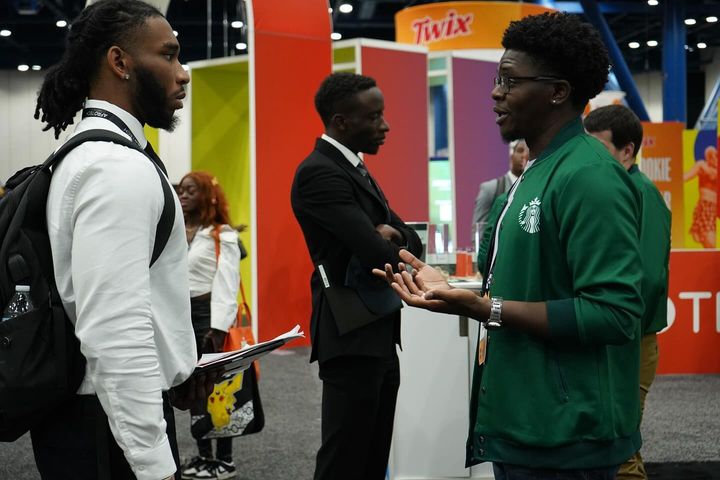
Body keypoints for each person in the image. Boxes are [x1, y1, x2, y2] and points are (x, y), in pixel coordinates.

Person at [375, 12, 644, 480]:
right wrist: (458, 291)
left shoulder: (589, 177)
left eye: (509, 80)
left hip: (568, 434)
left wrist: (488, 308)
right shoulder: (534, 173)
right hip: (526, 420)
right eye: (497, 80)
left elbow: (614, 313)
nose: (496, 93)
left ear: (557, 91)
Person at [33, 1, 205, 479]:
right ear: (119, 62)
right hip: (106, 426)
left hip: (98, 413)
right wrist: (153, 464)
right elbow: (115, 328)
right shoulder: (116, 167)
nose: (183, 73)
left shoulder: (97, 153)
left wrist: (175, 366)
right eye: (168, 55)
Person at [290, 72, 423, 480]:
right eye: (374, 116)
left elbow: (412, 240)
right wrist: (387, 237)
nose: (386, 126)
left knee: (372, 458)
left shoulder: (354, 168)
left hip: (376, 330)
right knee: (345, 459)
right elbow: (376, 254)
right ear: (341, 122)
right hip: (350, 333)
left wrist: (393, 234)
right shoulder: (319, 172)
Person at [584, 104, 671, 480]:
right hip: (614, 337)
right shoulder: (613, 188)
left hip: (629, 340)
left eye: (600, 148)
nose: (590, 158)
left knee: (621, 449)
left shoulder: (641, 193)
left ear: (627, 151)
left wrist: (614, 324)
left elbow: (648, 278)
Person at [177, 171, 241, 480]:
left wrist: (218, 328)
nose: (183, 195)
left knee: (220, 388)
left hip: (209, 318)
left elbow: (227, 283)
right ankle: (204, 457)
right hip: (181, 317)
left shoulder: (222, 234)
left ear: (207, 196)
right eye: (181, 190)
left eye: (190, 190)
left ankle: (224, 460)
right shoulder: (175, 231)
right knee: (194, 389)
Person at [471, 139, 528, 233]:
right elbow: (479, 230)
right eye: (520, 150)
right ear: (511, 156)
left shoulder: (536, 188)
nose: (524, 155)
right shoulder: (491, 189)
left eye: (528, 152)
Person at [684, 145, 717, 248]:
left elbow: (713, 175)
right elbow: (685, 177)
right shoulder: (702, 166)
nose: (713, 158)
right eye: (710, 156)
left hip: (714, 210)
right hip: (705, 207)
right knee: (710, 245)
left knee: (711, 246)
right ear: (707, 158)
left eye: (715, 155)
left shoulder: (714, 170)